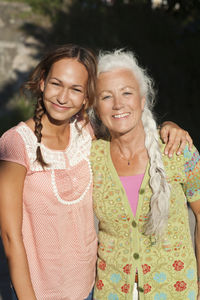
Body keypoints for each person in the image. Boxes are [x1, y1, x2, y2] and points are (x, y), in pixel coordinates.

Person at [0, 44, 193, 300]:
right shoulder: (16, 144)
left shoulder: (86, 133)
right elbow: (10, 238)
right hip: (38, 291)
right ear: (43, 83)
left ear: (85, 99)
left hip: (92, 288)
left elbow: (128, 125)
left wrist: (170, 126)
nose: (63, 97)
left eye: (76, 89)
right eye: (56, 84)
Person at [90, 49, 200, 300]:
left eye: (127, 93)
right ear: (96, 107)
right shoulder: (90, 156)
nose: (118, 104)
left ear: (142, 100)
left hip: (176, 290)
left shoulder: (179, 150)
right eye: (106, 97)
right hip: (112, 291)